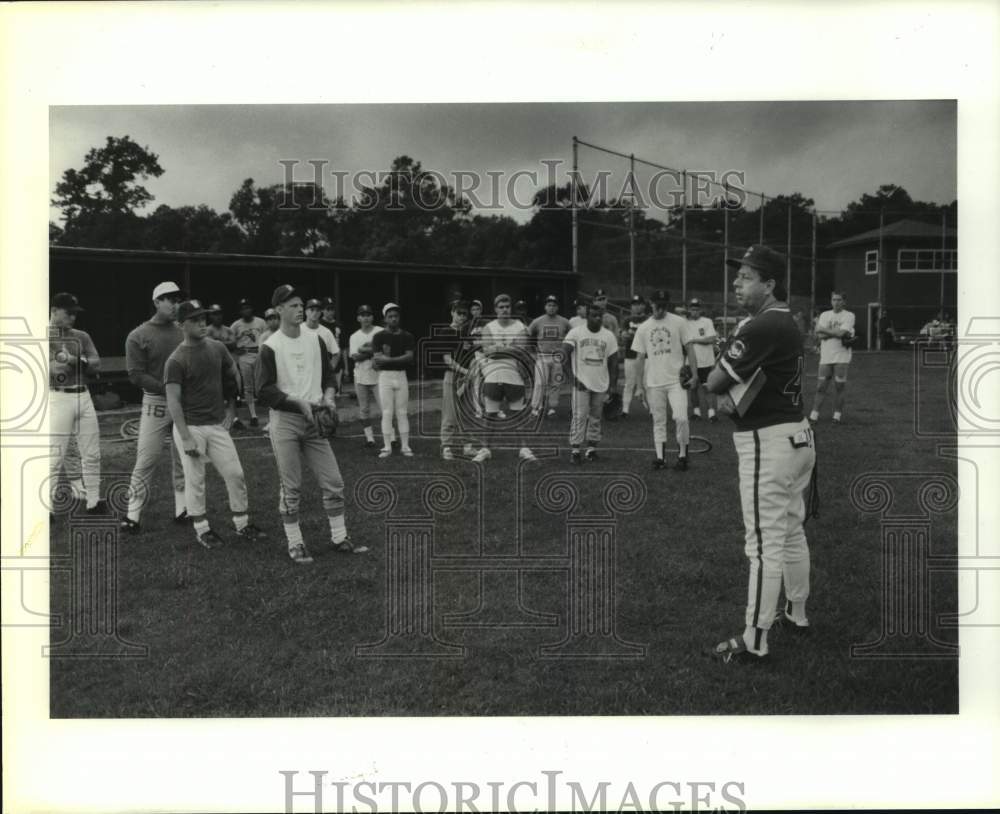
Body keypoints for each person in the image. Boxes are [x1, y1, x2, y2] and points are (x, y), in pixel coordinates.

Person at [705, 244, 815, 663]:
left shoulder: (762, 325)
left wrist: (712, 371)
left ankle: (754, 640)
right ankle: (798, 613)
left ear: (770, 284)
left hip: (768, 441)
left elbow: (716, 382)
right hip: (796, 434)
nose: (737, 281)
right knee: (790, 531)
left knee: (764, 544)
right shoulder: (784, 320)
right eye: (738, 274)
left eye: (747, 276)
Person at [256, 284, 367, 564]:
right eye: (292, 305)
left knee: (333, 481)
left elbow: (329, 376)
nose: (299, 309)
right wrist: (299, 403)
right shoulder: (270, 346)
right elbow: (264, 391)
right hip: (286, 421)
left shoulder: (315, 339)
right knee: (291, 486)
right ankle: (295, 543)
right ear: (278, 310)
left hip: (315, 417)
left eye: (301, 304)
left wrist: (329, 397)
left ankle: (340, 537)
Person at [165, 300, 267, 549]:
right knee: (195, 479)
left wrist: (232, 408)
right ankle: (202, 529)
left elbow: (232, 377)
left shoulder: (218, 347)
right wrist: (185, 435)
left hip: (216, 424)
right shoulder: (176, 359)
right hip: (191, 427)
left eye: (204, 318)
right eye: (195, 320)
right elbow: (173, 401)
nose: (202, 323)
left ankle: (242, 523)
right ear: (181, 324)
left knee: (235, 473)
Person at [120, 281, 187, 532]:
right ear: (157, 302)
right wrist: (167, 388)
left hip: (182, 401)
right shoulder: (138, 335)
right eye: (170, 299)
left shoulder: (183, 331)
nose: (175, 304)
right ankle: (132, 515)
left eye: (178, 300)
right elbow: (135, 374)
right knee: (147, 457)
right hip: (156, 402)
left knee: (184, 456)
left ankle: (183, 509)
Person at [48, 292, 104, 514]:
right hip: (58, 397)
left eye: (75, 313)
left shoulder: (81, 336)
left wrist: (72, 360)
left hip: (84, 396)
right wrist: (72, 363)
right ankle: (47, 507)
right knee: (54, 455)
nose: (73, 317)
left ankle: (93, 500)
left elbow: (96, 365)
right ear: (54, 311)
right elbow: (53, 371)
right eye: (68, 313)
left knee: (92, 453)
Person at [632, 289, 700, 471]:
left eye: (663, 306)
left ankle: (683, 456)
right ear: (651, 304)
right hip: (654, 381)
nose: (660, 309)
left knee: (681, 418)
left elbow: (690, 349)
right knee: (658, 420)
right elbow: (639, 358)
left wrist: (694, 374)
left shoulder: (679, 322)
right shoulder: (644, 328)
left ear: (667, 305)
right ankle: (660, 458)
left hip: (676, 381)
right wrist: (639, 387)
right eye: (657, 305)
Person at [473, 293, 537, 463]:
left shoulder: (519, 326)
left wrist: (498, 348)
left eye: (507, 307)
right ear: (495, 309)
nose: (504, 310)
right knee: (490, 415)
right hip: (492, 375)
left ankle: (524, 448)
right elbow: (487, 351)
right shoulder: (489, 327)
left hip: (514, 375)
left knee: (517, 415)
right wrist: (510, 347)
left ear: (511, 308)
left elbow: (522, 350)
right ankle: (485, 449)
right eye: (501, 307)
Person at [562, 302, 619, 463]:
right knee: (579, 416)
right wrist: (573, 379)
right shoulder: (576, 332)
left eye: (599, 315)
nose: (597, 318)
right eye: (594, 315)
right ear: (587, 316)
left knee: (596, 417)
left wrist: (613, 386)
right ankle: (575, 451)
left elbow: (614, 362)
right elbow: (563, 355)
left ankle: (592, 449)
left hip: (601, 383)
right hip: (581, 382)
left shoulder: (608, 336)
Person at [439, 299, 483, 460]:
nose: (462, 316)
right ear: (452, 313)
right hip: (452, 376)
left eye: (465, 313)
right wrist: (465, 371)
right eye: (459, 313)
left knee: (467, 412)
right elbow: (447, 359)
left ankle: (468, 446)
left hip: (467, 376)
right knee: (450, 413)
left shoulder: (467, 334)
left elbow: (472, 356)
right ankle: (447, 446)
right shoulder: (445, 332)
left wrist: (471, 371)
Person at [372, 303, 416, 458]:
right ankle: (387, 446)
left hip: (401, 375)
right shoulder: (378, 336)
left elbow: (409, 356)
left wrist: (389, 360)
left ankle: (405, 446)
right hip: (385, 377)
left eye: (396, 316)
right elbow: (377, 360)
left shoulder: (407, 336)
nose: (393, 319)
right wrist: (398, 360)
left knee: (402, 412)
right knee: (387, 412)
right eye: (390, 316)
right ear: (385, 318)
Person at [808, 291, 855, 424]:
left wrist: (825, 330)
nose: (836, 302)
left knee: (839, 387)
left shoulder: (849, 315)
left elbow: (841, 333)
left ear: (844, 302)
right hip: (826, 357)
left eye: (839, 300)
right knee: (820, 387)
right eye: (834, 299)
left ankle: (837, 416)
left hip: (841, 357)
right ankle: (814, 416)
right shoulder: (825, 315)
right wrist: (836, 333)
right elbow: (819, 335)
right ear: (831, 301)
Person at [528, 294, 571, 418]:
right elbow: (527, 335)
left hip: (557, 357)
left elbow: (572, 335)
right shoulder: (538, 321)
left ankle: (552, 408)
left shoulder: (564, 321)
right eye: (549, 305)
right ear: (545, 307)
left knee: (555, 383)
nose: (551, 307)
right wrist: (531, 351)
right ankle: (535, 408)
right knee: (540, 383)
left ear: (557, 307)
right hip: (542, 356)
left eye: (554, 305)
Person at [229, 297, 267, 429]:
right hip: (244, 355)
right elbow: (229, 342)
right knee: (248, 386)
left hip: (258, 354)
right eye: (243, 308)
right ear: (240, 311)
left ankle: (268, 414)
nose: (246, 310)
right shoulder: (236, 325)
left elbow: (268, 337)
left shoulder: (261, 322)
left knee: (261, 384)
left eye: (248, 307)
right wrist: (235, 348)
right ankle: (254, 415)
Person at [348, 304, 380, 449]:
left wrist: (365, 350)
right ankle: (369, 438)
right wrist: (373, 351)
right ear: (358, 318)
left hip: (379, 375)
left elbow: (385, 350)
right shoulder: (354, 336)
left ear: (372, 317)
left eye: (368, 314)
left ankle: (391, 437)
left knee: (385, 407)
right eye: (363, 315)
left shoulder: (380, 331)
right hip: (360, 376)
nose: (366, 317)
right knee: (364, 409)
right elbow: (355, 357)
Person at [686, 298, 719, 422]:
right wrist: (685, 313)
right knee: (693, 388)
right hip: (690, 361)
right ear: (689, 310)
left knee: (707, 388)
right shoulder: (685, 323)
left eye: (697, 309)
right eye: (692, 309)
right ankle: (696, 413)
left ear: (700, 310)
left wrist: (695, 340)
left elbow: (711, 339)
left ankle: (712, 414)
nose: (694, 312)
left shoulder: (707, 322)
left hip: (706, 361)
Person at [619, 294, 648, 419]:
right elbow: (624, 336)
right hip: (630, 355)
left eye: (638, 304)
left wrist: (633, 334)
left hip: (646, 356)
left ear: (643, 305)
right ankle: (625, 410)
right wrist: (632, 335)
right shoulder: (627, 320)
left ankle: (652, 410)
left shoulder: (648, 319)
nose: (636, 307)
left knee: (648, 383)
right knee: (629, 383)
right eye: (634, 304)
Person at [303, 298, 339, 378]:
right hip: (302, 374)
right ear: (306, 312)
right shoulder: (298, 329)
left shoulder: (326, 332)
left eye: (317, 310)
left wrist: (330, 371)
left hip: (320, 375)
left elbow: (336, 353)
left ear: (320, 312)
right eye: (312, 310)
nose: (315, 313)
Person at [320, 297, 346, 394]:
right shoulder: (318, 324)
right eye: (328, 309)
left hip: (338, 364)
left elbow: (343, 348)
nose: (331, 312)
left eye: (332, 309)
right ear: (322, 310)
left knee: (335, 393)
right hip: (322, 362)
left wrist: (346, 368)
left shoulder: (338, 325)